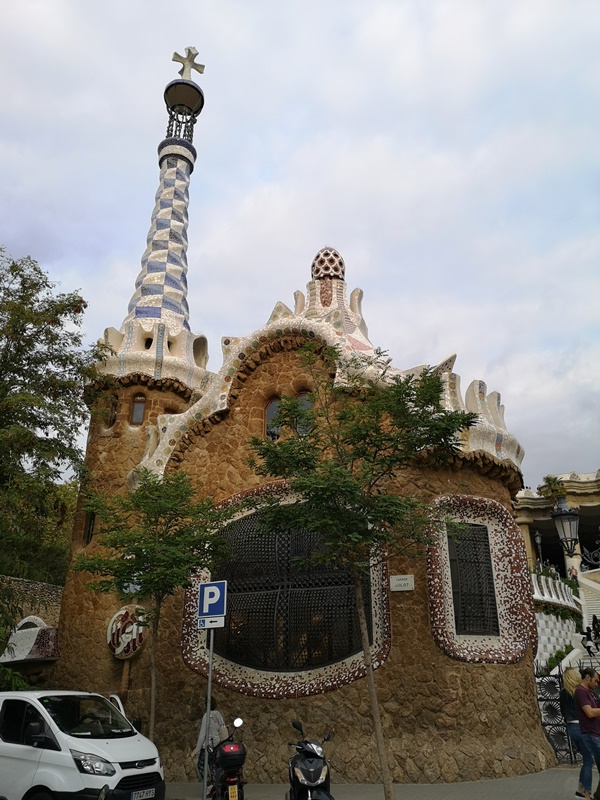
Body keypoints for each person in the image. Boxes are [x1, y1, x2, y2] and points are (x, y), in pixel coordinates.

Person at [561, 667, 593, 799]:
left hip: (571, 728)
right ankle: (586, 793)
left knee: (586, 759)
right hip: (582, 727)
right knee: (588, 762)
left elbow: (562, 711)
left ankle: (580, 790)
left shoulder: (563, 693)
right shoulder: (580, 692)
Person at [575, 668, 600, 800]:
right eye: (595, 680)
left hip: (595, 733)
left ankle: (594, 795)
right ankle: (590, 795)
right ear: (587, 678)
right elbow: (589, 712)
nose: (597, 683)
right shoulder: (581, 691)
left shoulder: (589, 692)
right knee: (589, 763)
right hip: (590, 734)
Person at [193, 697, 226, 794]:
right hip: (217, 744)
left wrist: (197, 749)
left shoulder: (206, 716)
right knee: (213, 767)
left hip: (207, 746)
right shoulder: (218, 714)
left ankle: (208, 786)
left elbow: (202, 734)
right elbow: (222, 727)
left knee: (200, 766)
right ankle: (214, 786)